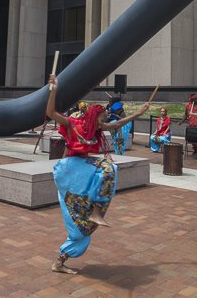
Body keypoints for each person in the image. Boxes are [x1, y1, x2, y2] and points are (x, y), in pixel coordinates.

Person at [44, 74, 150, 274]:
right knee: (108, 168)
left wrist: (139, 113)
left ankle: (62, 257)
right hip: (68, 169)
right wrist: (53, 89)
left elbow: (118, 124)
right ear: (94, 117)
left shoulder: (97, 129)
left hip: (82, 167)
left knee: (109, 170)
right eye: (102, 119)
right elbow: (50, 112)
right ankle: (93, 213)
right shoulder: (72, 124)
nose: (104, 122)